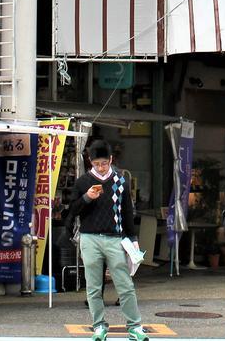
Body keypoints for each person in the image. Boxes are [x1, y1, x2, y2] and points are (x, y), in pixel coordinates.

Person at [68, 140, 148, 341]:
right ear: (90, 162)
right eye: (96, 164)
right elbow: (72, 211)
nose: (101, 167)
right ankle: (99, 326)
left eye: (104, 163)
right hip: (89, 238)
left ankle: (135, 326)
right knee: (93, 286)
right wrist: (87, 197)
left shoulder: (121, 181)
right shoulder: (83, 182)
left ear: (111, 160)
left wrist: (133, 239)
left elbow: (127, 212)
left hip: (115, 238)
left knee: (125, 284)